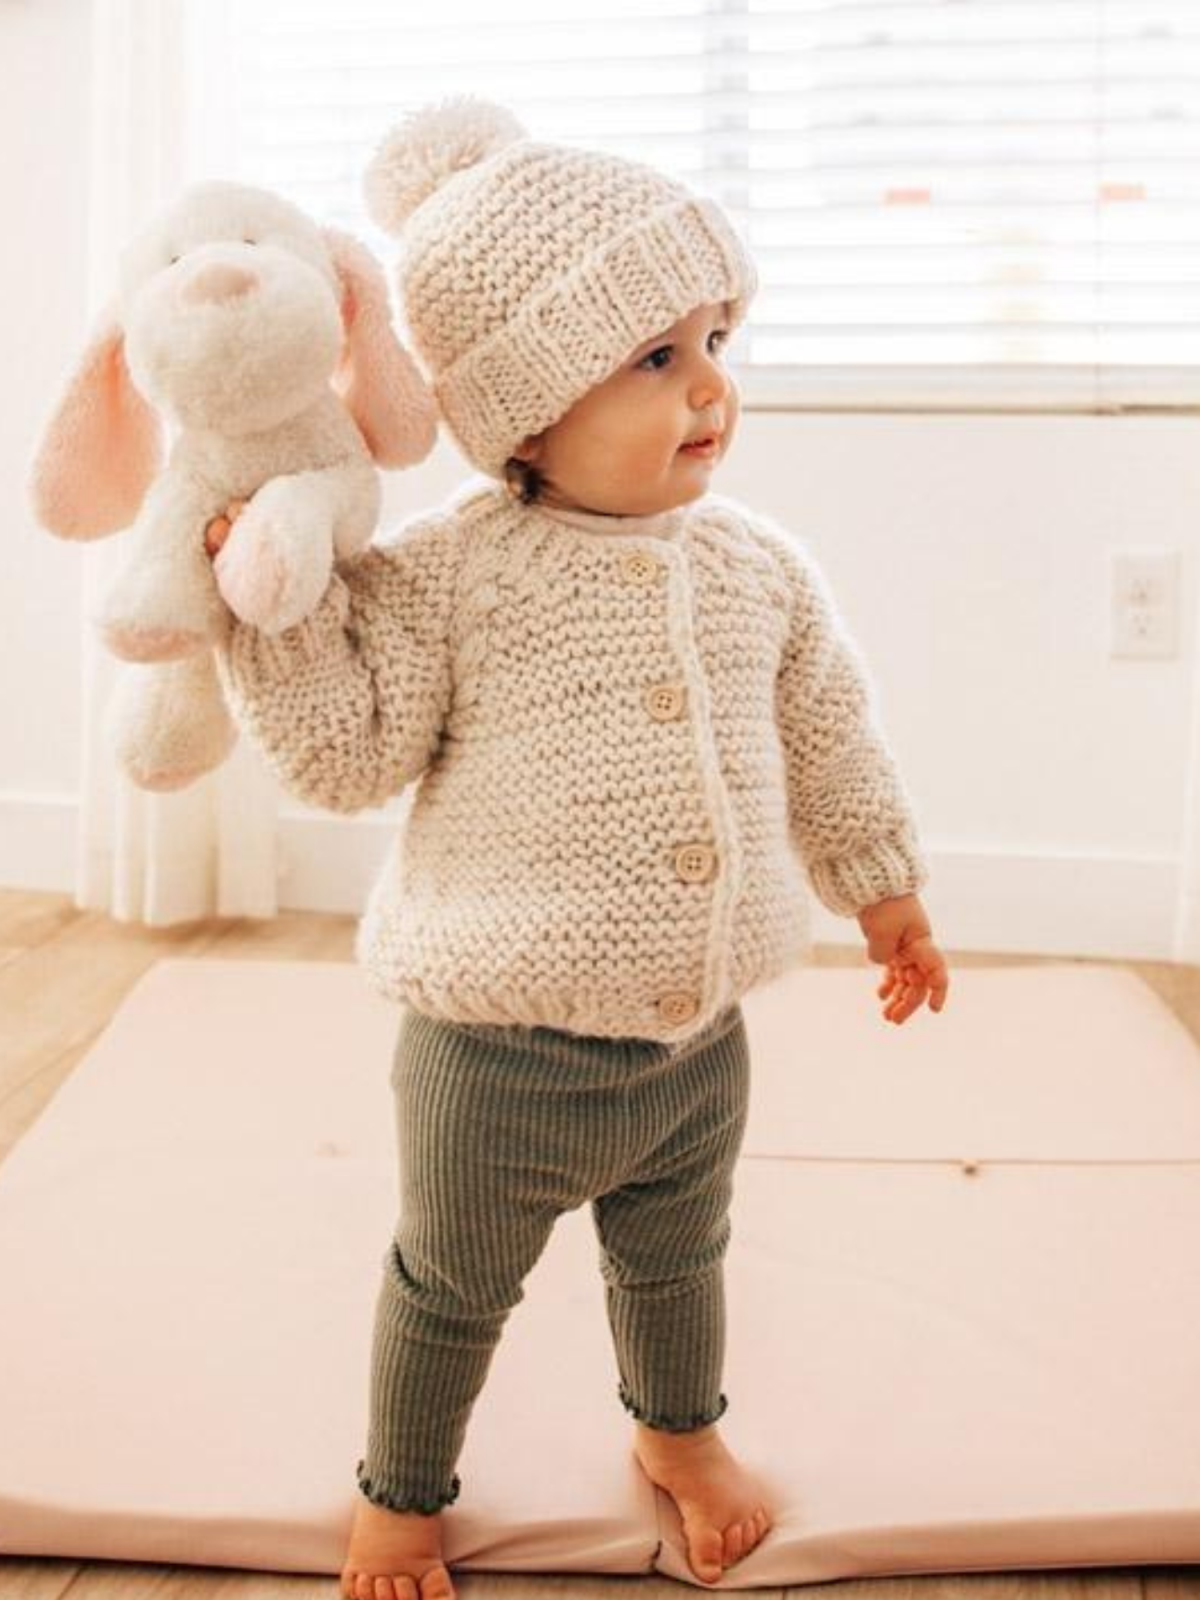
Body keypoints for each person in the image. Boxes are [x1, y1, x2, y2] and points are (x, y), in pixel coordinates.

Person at [207, 96, 951, 1600]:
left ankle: (679, 1434)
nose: (710, 391)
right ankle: (401, 1494)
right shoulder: (453, 580)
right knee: (448, 1288)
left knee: (680, 1263)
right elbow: (347, 753)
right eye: (657, 359)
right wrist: (270, 615)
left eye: (717, 342)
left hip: (696, 1043)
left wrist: (884, 891)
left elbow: (830, 741)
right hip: (498, 1057)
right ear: (530, 408)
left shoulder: (762, 571)